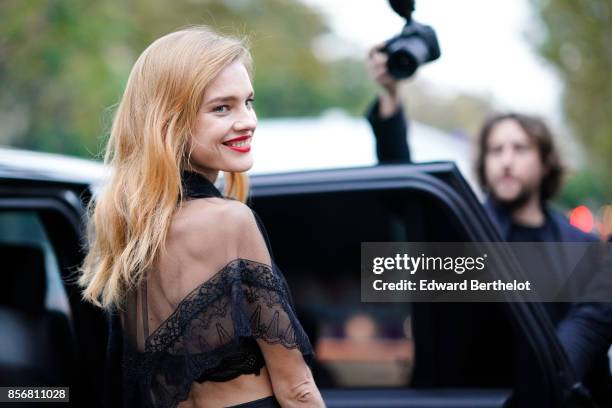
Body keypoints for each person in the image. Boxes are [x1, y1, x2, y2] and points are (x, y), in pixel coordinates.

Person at [78, 26, 325, 408]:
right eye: (221, 108)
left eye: (248, 101)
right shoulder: (230, 221)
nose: (247, 121)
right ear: (169, 122)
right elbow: (297, 388)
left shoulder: (123, 228)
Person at [365, 45, 612, 404]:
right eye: (496, 150)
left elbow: (589, 344)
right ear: (484, 162)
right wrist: (390, 96)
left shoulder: (585, 248)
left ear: (545, 162)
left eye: (520, 148)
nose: (506, 160)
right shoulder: (464, 230)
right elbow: (404, 196)